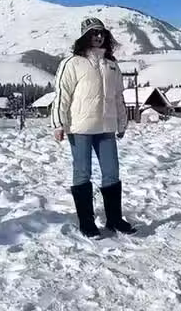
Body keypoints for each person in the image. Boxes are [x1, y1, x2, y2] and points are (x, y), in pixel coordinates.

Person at [52, 17, 135, 237]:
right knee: (82, 173)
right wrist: (58, 123)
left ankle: (114, 219)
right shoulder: (72, 63)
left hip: (106, 127)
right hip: (80, 128)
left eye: (101, 33)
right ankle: (87, 223)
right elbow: (62, 95)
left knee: (112, 173)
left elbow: (118, 97)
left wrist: (122, 122)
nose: (98, 36)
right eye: (93, 33)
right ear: (84, 37)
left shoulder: (112, 65)